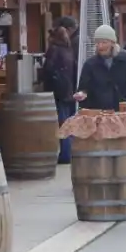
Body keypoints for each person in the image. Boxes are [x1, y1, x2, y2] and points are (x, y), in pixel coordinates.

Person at [74, 24, 126, 112]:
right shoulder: (90, 64)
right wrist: (82, 95)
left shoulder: (125, 59)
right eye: (98, 42)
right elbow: (83, 88)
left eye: (104, 42)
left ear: (113, 43)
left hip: (125, 112)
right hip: (100, 114)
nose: (100, 46)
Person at [43, 23, 78, 164]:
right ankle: (71, 152)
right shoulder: (69, 50)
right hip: (70, 90)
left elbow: (48, 70)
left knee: (63, 123)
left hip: (59, 91)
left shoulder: (53, 50)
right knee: (70, 123)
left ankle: (65, 154)